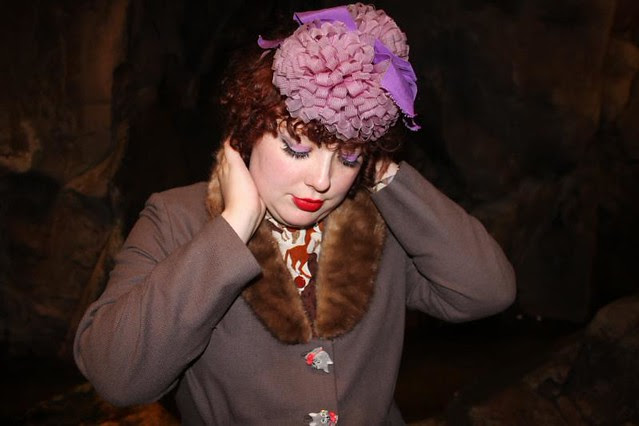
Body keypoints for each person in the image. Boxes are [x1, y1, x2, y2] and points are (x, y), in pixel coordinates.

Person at [74, 3, 516, 425]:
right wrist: (234, 225)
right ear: (248, 130)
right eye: (297, 148)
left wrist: (378, 166)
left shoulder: (380, 218)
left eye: (346, 157)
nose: (322, 181)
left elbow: (486, 291)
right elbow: (117, 376)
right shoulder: (176, 218)